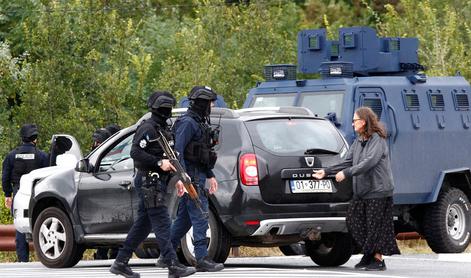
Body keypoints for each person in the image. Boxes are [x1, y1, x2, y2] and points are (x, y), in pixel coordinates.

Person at [109, 91, 196, 278]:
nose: (167, 111)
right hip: (149, 181)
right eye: (164, 108)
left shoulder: (164, 129)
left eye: (168, 108)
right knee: (162, 222)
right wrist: (158, 163)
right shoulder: (147, 128)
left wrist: (178, 178)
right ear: (156, 109)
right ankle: (173, 265)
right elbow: (135, 153)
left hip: (160, 182)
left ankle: (120, 262)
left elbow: (171, 157)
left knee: (143, 225)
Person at [313, 106, 400, 271]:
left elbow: (369, 162)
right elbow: (347, 161)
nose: (352, 124)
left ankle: (377, 260)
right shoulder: (358, 141)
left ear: (364, 121)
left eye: (355, 120)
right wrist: (326, 171)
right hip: (362, 191)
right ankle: (369, 254)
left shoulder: (378, 140)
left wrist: (346, 174)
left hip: (378, 190)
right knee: (353, 221)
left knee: (375, 226)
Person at [169, 86, 223, 272]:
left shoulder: (199, 122)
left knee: (184, 220)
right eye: (210, 102)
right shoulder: (188, 123)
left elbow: (203, 153)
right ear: (202, 103)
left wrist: (210, 175)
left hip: (198, 175)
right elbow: (178, 153)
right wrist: (182, 178)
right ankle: (201, 258)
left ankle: (165, 255)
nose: (212, 105)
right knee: (201, 216)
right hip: (190, 177)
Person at [2, 124, 49, 262]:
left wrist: (7, 194)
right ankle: (47, 257)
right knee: (42, 223)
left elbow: (5, 177)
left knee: (20, 227)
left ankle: (23, 260)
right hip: (37, 193)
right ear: (35, 139)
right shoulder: (42, 156)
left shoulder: (11, 156)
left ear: (22, 138)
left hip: (19, 193)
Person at [92, 124, 120, 260]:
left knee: (113, 224)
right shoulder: (97, 153)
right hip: (100, 197)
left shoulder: (114, 154)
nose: (95, 144)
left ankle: (114, 254)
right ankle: (102, 254)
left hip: (112, 195)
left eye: (98, 142)